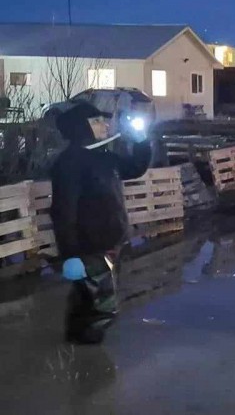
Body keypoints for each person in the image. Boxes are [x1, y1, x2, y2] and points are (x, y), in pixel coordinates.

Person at [50, 101, 151, 344]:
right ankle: (88, 365)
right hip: (89, 247)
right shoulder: (70, 163)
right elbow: (64, 211)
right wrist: (71, 254)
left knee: (86, 299)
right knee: (102, 307)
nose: (104, 124)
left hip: (110, 242)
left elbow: (135, 168)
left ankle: (76, 342)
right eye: (96, 121)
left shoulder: (104, 157)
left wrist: (141, 142)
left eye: (102, 120)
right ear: (80, 127)